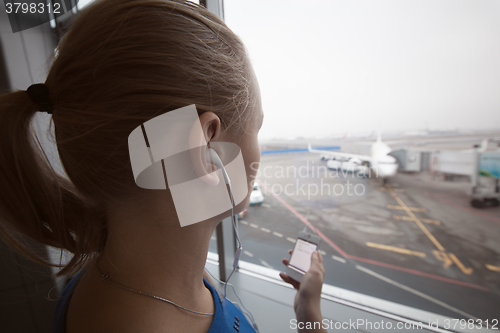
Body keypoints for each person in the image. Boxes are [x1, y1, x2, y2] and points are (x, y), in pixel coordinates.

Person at [0, 0, 327, 332]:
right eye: (256, 127)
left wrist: (304, 306)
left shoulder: (141, 273)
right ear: (207, 147)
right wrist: (312, 320)